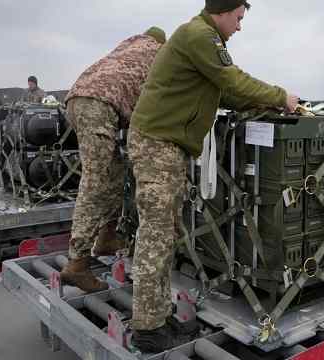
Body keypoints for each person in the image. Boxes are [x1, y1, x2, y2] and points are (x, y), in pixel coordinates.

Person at [128, 0, 300, 352]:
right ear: (222, 11)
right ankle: (147, 327)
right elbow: (232, 78)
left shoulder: (202, 39)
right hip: (157, 144)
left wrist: (267, 104)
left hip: (165, 145)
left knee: (167, 232)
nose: (239, 26)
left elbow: (229, 92)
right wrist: (281, 96)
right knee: (157, 236)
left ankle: (157, 315)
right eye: (238, 18)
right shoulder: (199, 35)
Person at [59, 27, 167, 293]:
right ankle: (77, 263)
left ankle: (107, 236)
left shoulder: (130, 45)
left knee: (115, 171)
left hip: (80, 98)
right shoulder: (159, 52)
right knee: (96, 181)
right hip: (98, 104)